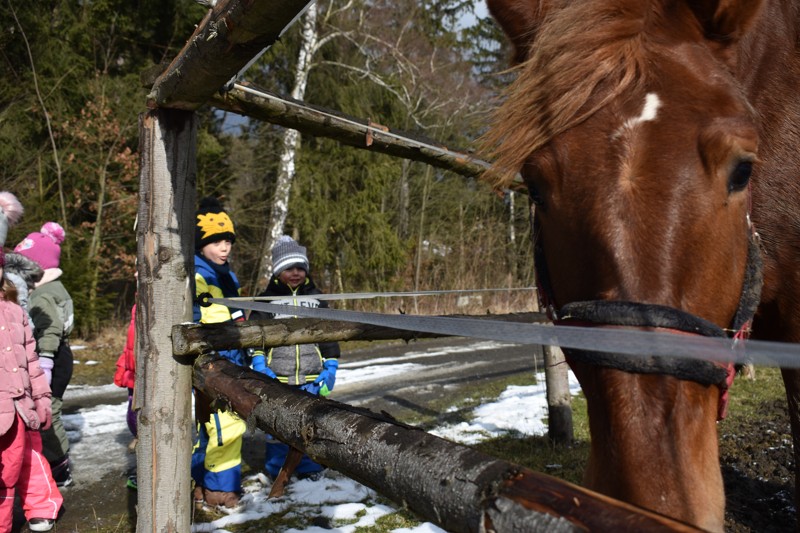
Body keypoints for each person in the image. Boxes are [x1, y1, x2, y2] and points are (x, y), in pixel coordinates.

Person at [249, 235, 341, 480]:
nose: (296, 272)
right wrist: (259, 364)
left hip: (312, 376)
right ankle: (279, 469)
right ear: (278, 270)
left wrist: (331, 366)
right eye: (289, 267)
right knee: (278, 426)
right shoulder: (266, 300)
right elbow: (254, 336)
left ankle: (310, 468)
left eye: (300, 267)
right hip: (277, 377)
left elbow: (329, 335)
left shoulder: (316, 298)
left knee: (310, 423)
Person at [0, 195, 61, 533]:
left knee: (19, 467)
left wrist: (41, 398)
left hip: (19, 409)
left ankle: (34, 509)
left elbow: (31, 361)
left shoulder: (13, 311)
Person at [191, 197, 247, 513]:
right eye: (215, 241)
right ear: (201, 245)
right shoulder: (198, 275)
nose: (224, 247)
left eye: (227, 240)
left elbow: (236, 312)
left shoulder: (227, 274)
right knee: (228, 425)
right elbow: (203, 317)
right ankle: (219, 490)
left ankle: (201, 482)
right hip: (213, 359)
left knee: (209, 423)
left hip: (228, 357)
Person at [14, 222, 75, 489]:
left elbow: (50, 328)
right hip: (62, 354)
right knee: (50, 410)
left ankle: (58, 464)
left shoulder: (41, 296)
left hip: (51, 356)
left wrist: (45, 361)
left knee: (49, 412)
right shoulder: (57, 288)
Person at [113, 296, 137, 490]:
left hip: (145, 375)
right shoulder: (138, 303)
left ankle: (146, 471)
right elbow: (131, 342)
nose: (137, 273)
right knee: (132, 416)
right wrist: (124, 364)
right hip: (134, 373)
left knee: (141, 419)